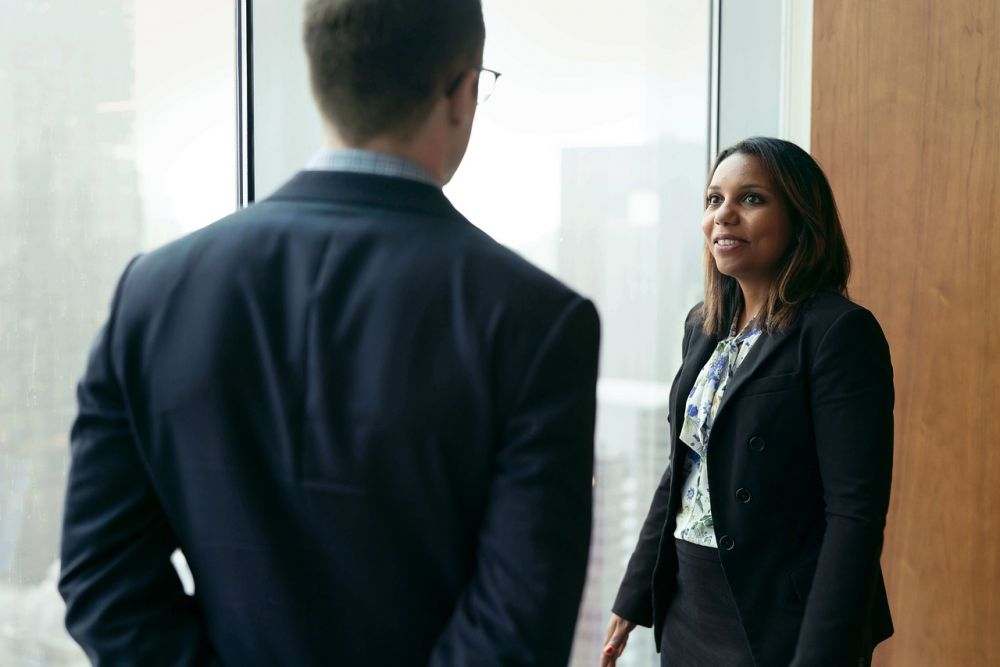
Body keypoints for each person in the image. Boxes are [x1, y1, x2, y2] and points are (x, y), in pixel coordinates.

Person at [58, 1, 600, 664]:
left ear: (320, 78)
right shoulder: (537, 319)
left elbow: (101, 576)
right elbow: (519, 624)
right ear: (462, 93)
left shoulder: (152, 292)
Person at [601, 137, 894, 666]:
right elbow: (683, 469)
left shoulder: (838, 332)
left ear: (800, 219)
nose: (724, 216)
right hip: (690, 605)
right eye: (714, 200)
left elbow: (854, 514)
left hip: (780, 619)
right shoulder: (703, 326)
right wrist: (633, 594)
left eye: (751, 199)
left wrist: (823, 653)